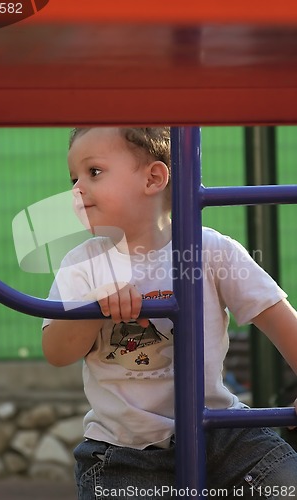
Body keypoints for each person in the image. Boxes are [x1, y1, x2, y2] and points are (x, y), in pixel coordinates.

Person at [42, 127, 297, 499]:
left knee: (285, 485)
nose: (77, 189)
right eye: (73, 178)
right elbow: (56, 351)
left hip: (222, 434)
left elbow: (277, 318)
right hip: (124, 451)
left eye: (93, 172)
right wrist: (94, 309)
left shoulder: (210, 250)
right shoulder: (84, 264)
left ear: (153, 178)